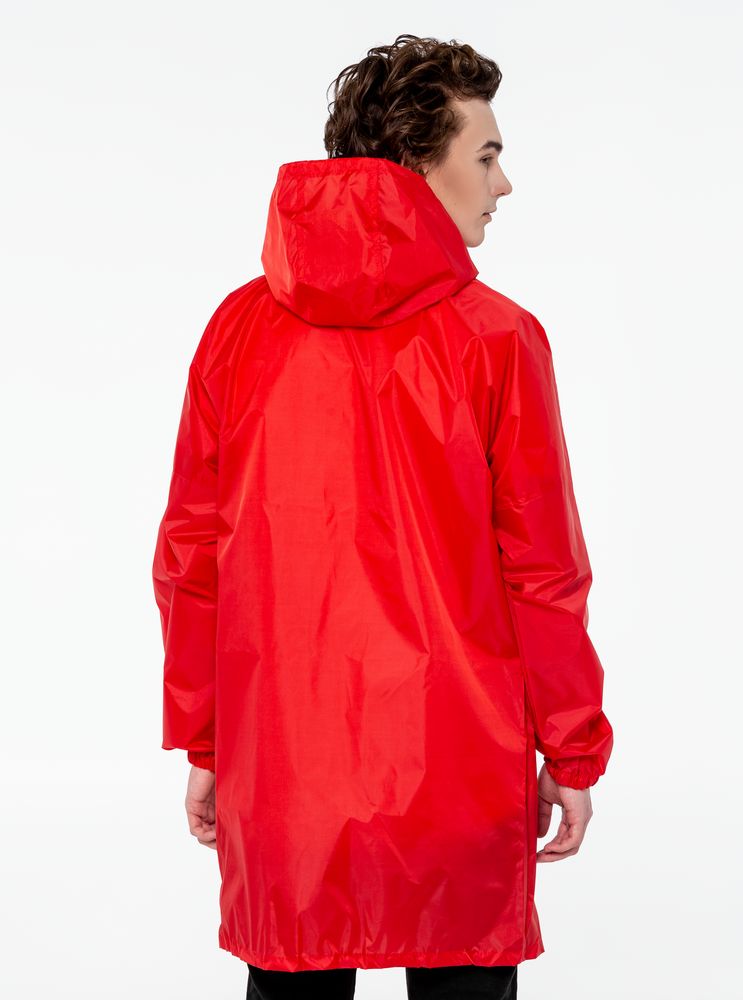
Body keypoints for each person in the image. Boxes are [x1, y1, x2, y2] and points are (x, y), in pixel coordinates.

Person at [152, 33, 614, 1000]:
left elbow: (192, 558)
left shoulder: (239, 330)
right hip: (460, 769)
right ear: (417, 167)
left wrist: (208, 741)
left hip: (286, 775)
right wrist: (572, 750)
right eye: (487, 155)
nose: (505, 183)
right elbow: (543, 572)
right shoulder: (499, 339)